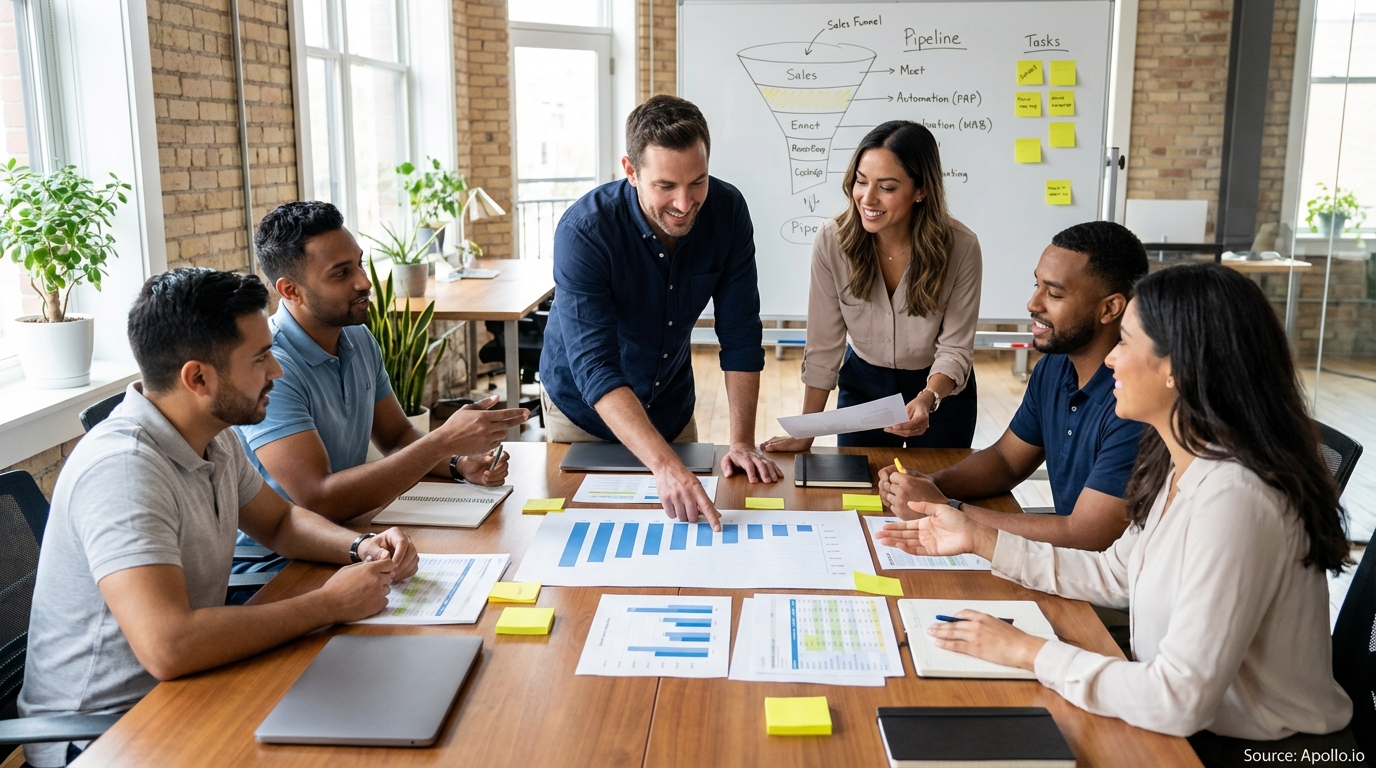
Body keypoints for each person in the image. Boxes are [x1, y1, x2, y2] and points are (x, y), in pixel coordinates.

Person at [876, 263, 1357, 766]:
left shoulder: (1236, 498)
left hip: (1258, 751)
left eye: (1124, 342)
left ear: (1178, 366)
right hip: (1192, 727)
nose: (1111, 361)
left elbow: (1179, 700)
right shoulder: (1184, 460)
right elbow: (1116, 572)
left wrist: (1026, 652)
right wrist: (977, 537)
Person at [18, 268, 419, 767]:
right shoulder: (123, 471)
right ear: (198, 378)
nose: (277, 371)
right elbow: (170, 646)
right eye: (260, 357)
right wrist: (327, 605)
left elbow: (280, 524)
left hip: (189, 690)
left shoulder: (213, 433)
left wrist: (359, 547)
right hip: (105, 734)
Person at [539, 94, 782, 530]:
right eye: (665, 186)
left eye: (698, 182)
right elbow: (595, 366)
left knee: (681, 541)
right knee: (587, 545)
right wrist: (665, 467)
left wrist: (741, 441)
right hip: (584, 413)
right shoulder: (585, 232)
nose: (685, 203)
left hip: (668, 407)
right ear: (630, 171)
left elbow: (741, 332)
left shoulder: (727, 212)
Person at [236, 202, 528, 539]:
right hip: (281, 563)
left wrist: (457, 463)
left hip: (354, 533)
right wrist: (443, 441)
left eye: (359, 264)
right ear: (291, 290)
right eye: (341, 273)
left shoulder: (357, 336)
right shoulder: (271, 367)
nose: (364, 282)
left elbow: (397, 437)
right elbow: (319, 499)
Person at [877, 221, 1150, 550]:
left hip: (1116, 587)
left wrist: (945, 509)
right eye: (1036, 285)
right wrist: (931, 484)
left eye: (1054, 293)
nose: (1033, 303)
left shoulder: (1135, 398)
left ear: (1110, 308)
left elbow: (1086, 535)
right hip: (1071, 564)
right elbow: (1007, 461)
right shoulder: (1054, 366)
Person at [762, 121, 982, 451]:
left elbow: (955, 349)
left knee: (932, 493)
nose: (868, 197)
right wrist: (806, 432)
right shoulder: (832, 241)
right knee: (861, 490)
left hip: (940, 393)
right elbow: (824, 346)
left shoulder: (961, 247)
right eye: (861, 182)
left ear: (921, 190)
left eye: (888, 187)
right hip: (864, 387)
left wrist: (928, 398)